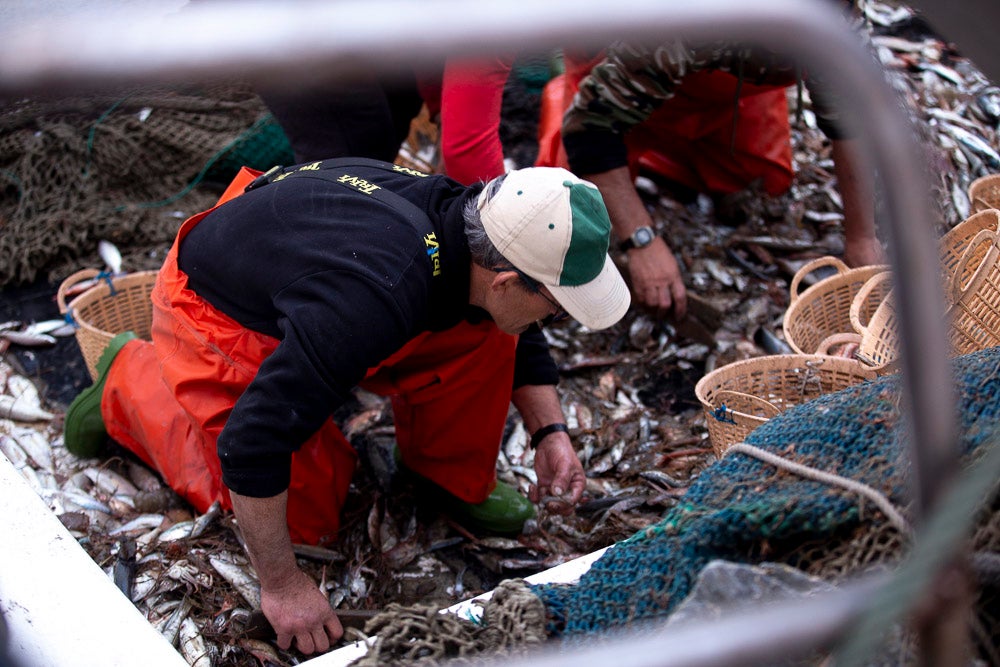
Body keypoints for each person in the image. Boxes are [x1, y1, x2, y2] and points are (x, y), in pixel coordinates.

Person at [62, 159, 629, 655]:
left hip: (314, 263)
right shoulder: (371, 296)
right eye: (557, 311)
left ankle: (446, 473)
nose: (554, 323)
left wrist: (548, 430)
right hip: (220, 312)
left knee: (487, 331)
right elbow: (251, 444)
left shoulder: (477, 222)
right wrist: (281, 585)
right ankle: (129, 384)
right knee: (304, 517)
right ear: (506, 280)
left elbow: (515, 323)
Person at [536, 18, 886, 319]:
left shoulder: (838, 21)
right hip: (621, 69)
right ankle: (564, 95)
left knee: (763, 183)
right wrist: (642, 240)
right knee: (569, 221)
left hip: (720, 82)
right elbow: (590, 129)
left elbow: (849, 120)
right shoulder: (689, 20)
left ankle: (673, 144)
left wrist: (862, 238)